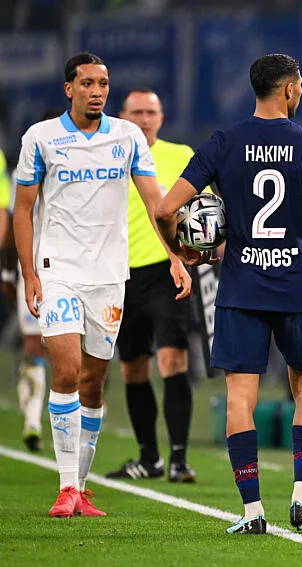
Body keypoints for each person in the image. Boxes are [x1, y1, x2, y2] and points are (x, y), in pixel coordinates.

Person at [155, 53, 302, 535]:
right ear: (290, 89)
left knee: (239, 396)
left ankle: (252, 511)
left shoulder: (224, 143)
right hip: (295, 285)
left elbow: (167, 209)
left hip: (241, 285)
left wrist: (185, 251)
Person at [14, 52, 191, 518]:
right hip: (59, 272)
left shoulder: (128, 136)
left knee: (94, 383)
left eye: (104, 83)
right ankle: (66, 486)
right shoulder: (41, 138)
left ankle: (82, 488)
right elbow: (22, 209)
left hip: (110, 276)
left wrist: (174, 256)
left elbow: (156, 203)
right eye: (88, 83)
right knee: (67, 371)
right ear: (68, 88)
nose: (97, 91)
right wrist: (31, 273)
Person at [105, 88, 198, 483]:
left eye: (151, 112)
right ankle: (149, 458)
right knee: (133, 368)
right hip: (117, 273)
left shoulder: (182, 156)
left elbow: (203, 212)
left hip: (166, 270)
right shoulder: (106, 154)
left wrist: (195, 254)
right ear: (123, 116)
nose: (144, 119)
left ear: (161, 117)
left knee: (173, 360)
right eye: (137, 112)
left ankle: (178, 460)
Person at [1, 108, 65, 453]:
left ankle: (45, 418)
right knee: (37, 345)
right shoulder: (24, 170)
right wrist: (12, 270)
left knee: (57, 348)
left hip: (72, 267)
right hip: (37, 267)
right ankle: (32, 420)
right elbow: (14, 223)